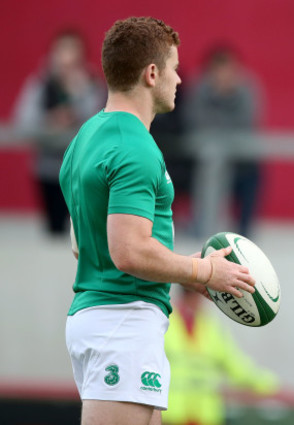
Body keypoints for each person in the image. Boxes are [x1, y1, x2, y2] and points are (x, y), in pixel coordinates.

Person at [59, 17, 256, 425]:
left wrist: (187, 273)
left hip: (112, 318)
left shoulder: (86, 137)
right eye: (175, 67)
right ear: (152, 74)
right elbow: (128, 251)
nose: (181, 79)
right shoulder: (135, 146)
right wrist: (203, 270)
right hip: (122, 321)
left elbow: (86, 242)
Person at [12, 29, 104, 235]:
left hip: (80, 170)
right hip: (47, 168)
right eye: (62, 51)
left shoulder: (91, 85)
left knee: (81, 232)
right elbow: (23, 121)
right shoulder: (41, 84)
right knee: (53, 230)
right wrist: (50, 120)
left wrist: (78, 96)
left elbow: (99, 120)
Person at [162, 288, 278, 425]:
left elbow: (235, 364)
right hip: (171, 414)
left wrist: (268, 384)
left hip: (205, 415)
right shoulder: (164, 322)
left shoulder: (211, 326)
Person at [184, 45, 262, 237]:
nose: (224, 75)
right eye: (219, 70)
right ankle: (204, 226)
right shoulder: (200, 89)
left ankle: (242, 229)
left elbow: (247, 122)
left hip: (239, 152)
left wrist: (227, 100)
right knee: (211, 160)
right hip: (203, 153)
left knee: (252, 169)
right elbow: (195, 121)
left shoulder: (246, 89)